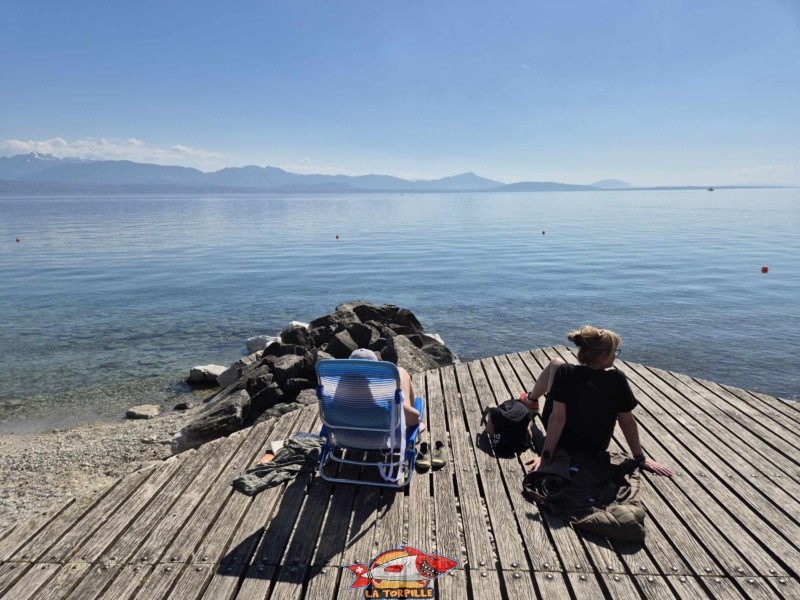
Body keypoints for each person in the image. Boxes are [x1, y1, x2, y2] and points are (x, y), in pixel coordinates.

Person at [524, 326, 672, 477]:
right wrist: (639, 458)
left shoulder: (566, 372)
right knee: (558, 366)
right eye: (614, 352)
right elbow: (627, 422)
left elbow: (557, 419)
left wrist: (546, 457)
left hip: (563, 443)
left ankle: (531, 400)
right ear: (603, 356)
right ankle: (531, 400)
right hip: (596, 447)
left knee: (556, 363)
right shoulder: (617, 379)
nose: (615, 356)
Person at [349, 348, 424, 432]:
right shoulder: (384, 404)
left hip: (346, 438)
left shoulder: (338, 403)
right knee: (401, 371)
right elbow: (414, 418)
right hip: (382, 439)